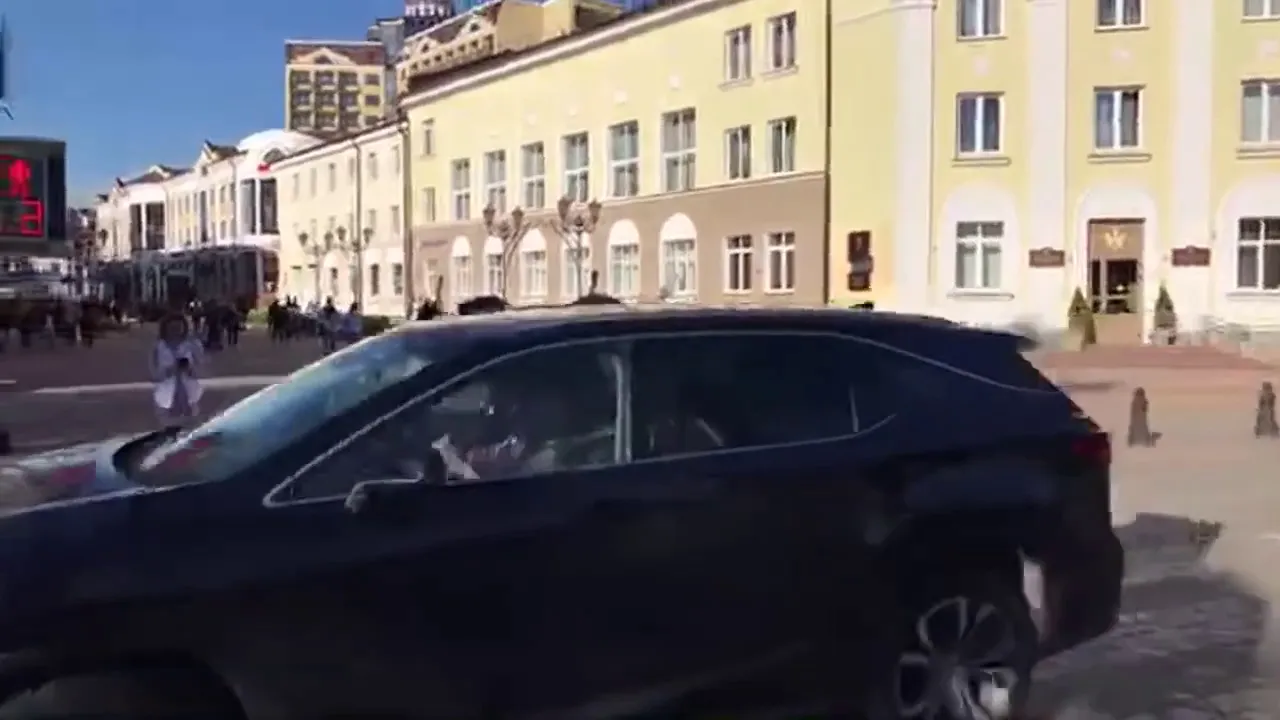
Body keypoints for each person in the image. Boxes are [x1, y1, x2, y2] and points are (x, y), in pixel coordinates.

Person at [150, 314, 204, 430]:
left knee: (191, 428)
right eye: (172, 328)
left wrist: (189, 369)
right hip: (165, 394)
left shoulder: (192, 345)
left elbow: (201, 367)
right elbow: (153, 372)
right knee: (167, 428)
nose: (175, 331)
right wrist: (169, 371)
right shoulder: (158, 347)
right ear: (165, 328)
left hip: (190, 393)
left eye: (179, 327)